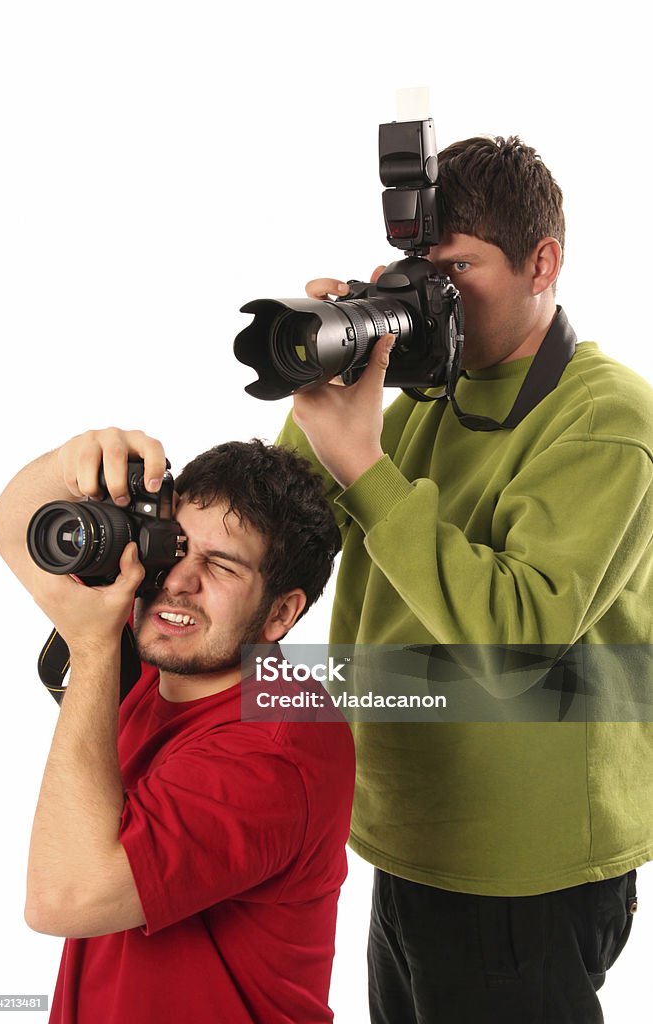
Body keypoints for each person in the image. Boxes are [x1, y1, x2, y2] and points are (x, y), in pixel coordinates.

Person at [277, 136, 653, 1023]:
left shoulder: (606, 417)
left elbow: (521, 635)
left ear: (541, 263)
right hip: (405, 839)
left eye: (457, 271)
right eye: (417, 272)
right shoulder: (413, 407)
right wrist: (325, 390)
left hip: (524, 864)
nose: (428, 298)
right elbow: (285, 540)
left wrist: (365, 466)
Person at [0, 427, 355, 1024]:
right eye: (175, 546)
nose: (179, 582)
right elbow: (14, 530)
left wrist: (90, 646)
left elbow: (62, 898)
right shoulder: (159, 657)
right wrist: (76, 460)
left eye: (221, 566)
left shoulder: (275, 749)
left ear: (282, 612)